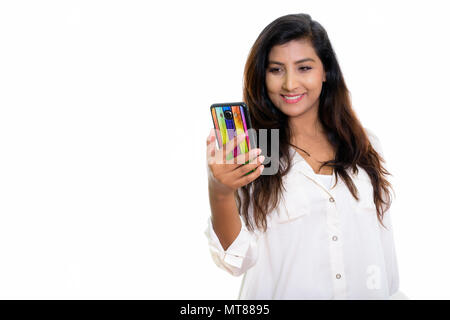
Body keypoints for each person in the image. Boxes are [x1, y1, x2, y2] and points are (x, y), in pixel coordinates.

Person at [205, 13, 400, 300]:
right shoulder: (257, 148)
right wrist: (220, 192)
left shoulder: (363, 143)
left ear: (325, 71)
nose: (290, 84)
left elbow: (385, 255)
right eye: (276, 70)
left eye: (304, 67)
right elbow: (237, 260)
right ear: (263, 75)